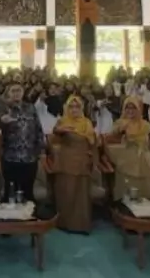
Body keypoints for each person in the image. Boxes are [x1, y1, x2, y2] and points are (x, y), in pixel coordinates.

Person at [50, 95, 95, 234]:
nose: (74, 109)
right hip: (65, 162)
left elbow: (92, 142)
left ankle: (81, 225)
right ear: (66, 108)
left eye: (77, 106)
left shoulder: (86, 123)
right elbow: (53, 140)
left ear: (82, 108)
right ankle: (65, 224)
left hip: (82, 161)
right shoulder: (62, 122)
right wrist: (59, 131)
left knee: (81, 194)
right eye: (71, 106)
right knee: (66, 193)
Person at [0, 82, 44, 203]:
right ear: (8, 93)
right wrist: (2, 121)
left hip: (30, 156)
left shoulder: (30, 107)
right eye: (13, 91)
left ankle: (29, 218)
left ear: (23, 93)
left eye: (19, 90)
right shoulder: (3, 108)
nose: (16, 93)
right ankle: (11, 219)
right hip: (10, 156)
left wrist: (40, 148)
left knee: (28, 192)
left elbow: (38, 128)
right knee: (10, 191)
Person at [110, 96, 150, 202]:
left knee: (145, 195)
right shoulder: (120, 123)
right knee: (128, 194)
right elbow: (114, 133)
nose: (130, 111)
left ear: (139, 109)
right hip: (127, 162)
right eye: (127, 108)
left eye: (133, 108)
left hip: (145, 163)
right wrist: (123, 128)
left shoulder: (145, 125)